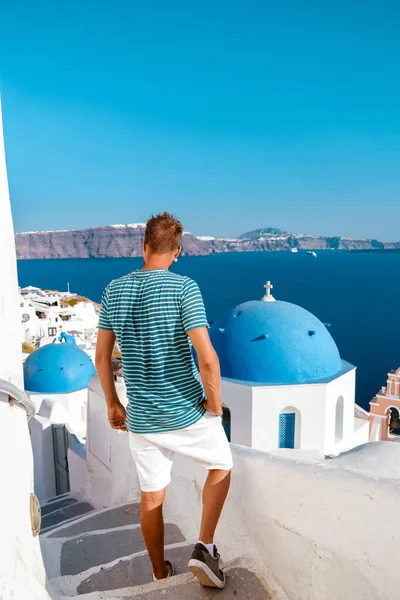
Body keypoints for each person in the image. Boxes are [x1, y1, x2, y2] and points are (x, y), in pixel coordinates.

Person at [95, 212, 233, 589]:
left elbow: (102, 357)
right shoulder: (184, 288)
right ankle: (204, 548)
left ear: (144, 245)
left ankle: (159, 573)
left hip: (141, 419)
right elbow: (207, 358)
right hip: (186, 412)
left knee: (152, 497)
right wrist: (215, 404)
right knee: (221, 464)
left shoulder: (113, 290)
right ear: (176, 252)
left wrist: (112, 403)